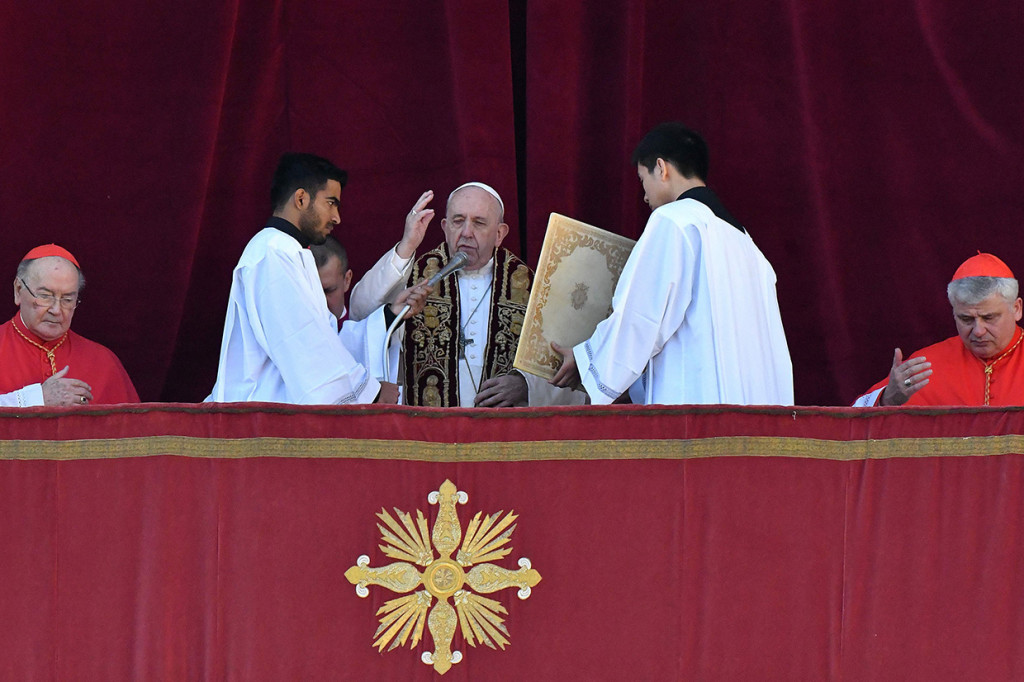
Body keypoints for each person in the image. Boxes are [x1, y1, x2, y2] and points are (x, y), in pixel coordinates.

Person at [550, 122, 793, 405]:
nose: (644, 195)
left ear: (661, 168)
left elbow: (641, 316)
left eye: (643, 180)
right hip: (754, 413)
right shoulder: (750, 247)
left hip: (697, 410)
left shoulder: (674, 221)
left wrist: (586, 359)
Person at [206, 153, 431, 405]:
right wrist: (371, 393)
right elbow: (304, 345)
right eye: (331, 203)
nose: (337, 217)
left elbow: (327, 337)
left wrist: (391, 314)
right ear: (301, 199)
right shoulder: (272, 253)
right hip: (259, 418)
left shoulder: (289, 252)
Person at [349, 183, 584, 407]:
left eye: (479, 223)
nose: (466, 232)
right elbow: (360, 314)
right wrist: (407, 246)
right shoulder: (416, 277)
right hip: (426, 434)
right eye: (458, 221)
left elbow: (565, 366)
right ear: (444, 227)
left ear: (500, 234)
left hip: (503, 437)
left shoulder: (530, 287)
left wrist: (527, 386)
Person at [854, 252, 1024, 406]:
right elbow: (851, 419)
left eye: (989, 317)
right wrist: (888, 399)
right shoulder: (926, 365)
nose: (978, 331)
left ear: (1016, 309)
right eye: (966, 319)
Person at [0, 244, 138, 406]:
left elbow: (134, 428)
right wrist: (34, 399)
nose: (56, 310)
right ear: (18, 290)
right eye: (45, 296)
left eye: (67, 299)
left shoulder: (103, 362)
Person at [310, 235, 353, 323]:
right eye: (312, 292)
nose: (321, 302)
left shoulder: (367, 334)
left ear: (347, 280)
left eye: (327, 291)